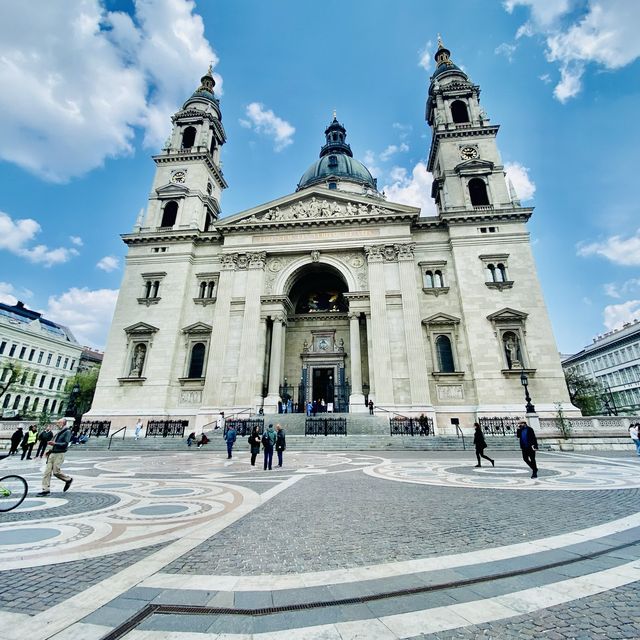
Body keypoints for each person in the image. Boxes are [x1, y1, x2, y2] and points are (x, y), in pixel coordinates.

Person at [37, 419, 73, 496]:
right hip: (52, 453)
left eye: (58, 422)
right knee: (47, 472)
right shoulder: (58, 432)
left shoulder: (67, 432)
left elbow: (65, 444)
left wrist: (55, 443)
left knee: (56, 472)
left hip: (59, 454)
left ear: (63, 423)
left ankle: (68, 479)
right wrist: (50, 450)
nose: (57, 424)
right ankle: (45, 489)